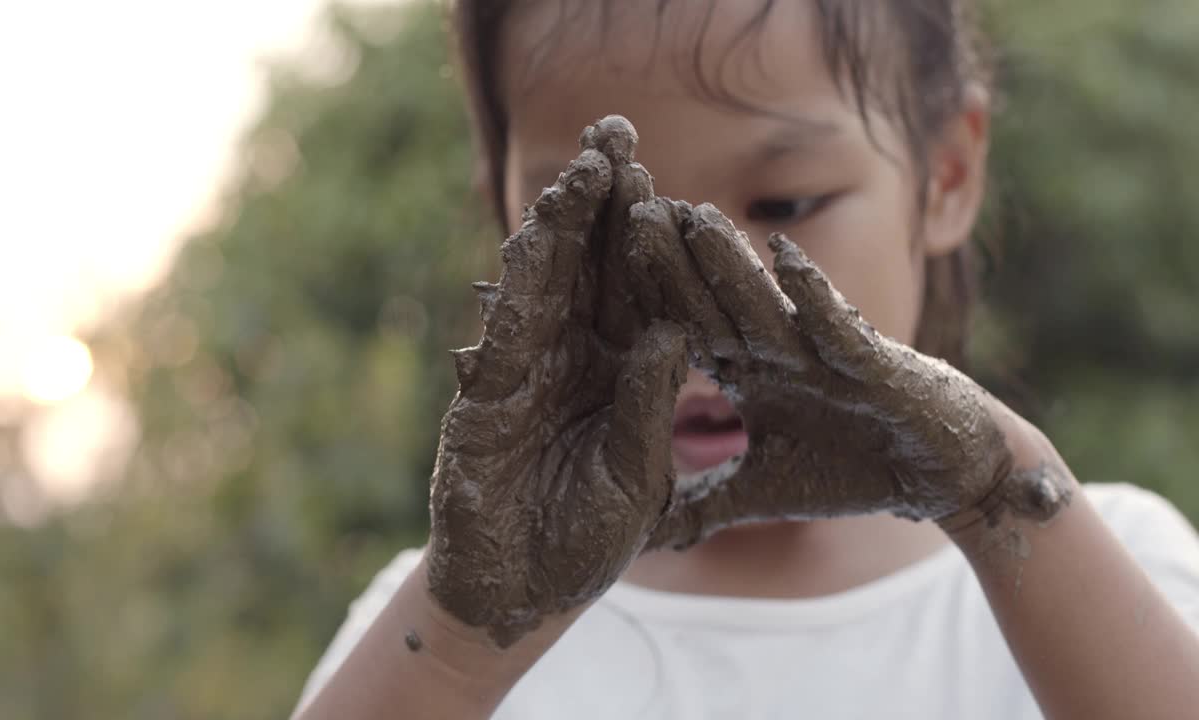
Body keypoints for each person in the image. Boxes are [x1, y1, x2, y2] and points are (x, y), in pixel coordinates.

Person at [293, 1, 1199, 717]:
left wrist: (1007, 494)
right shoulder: (432, 633)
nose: (691, 293)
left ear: (948, 174)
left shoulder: (1104, 564)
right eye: (602, 218)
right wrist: (456, 645)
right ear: (507, 210)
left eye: (787, 201)